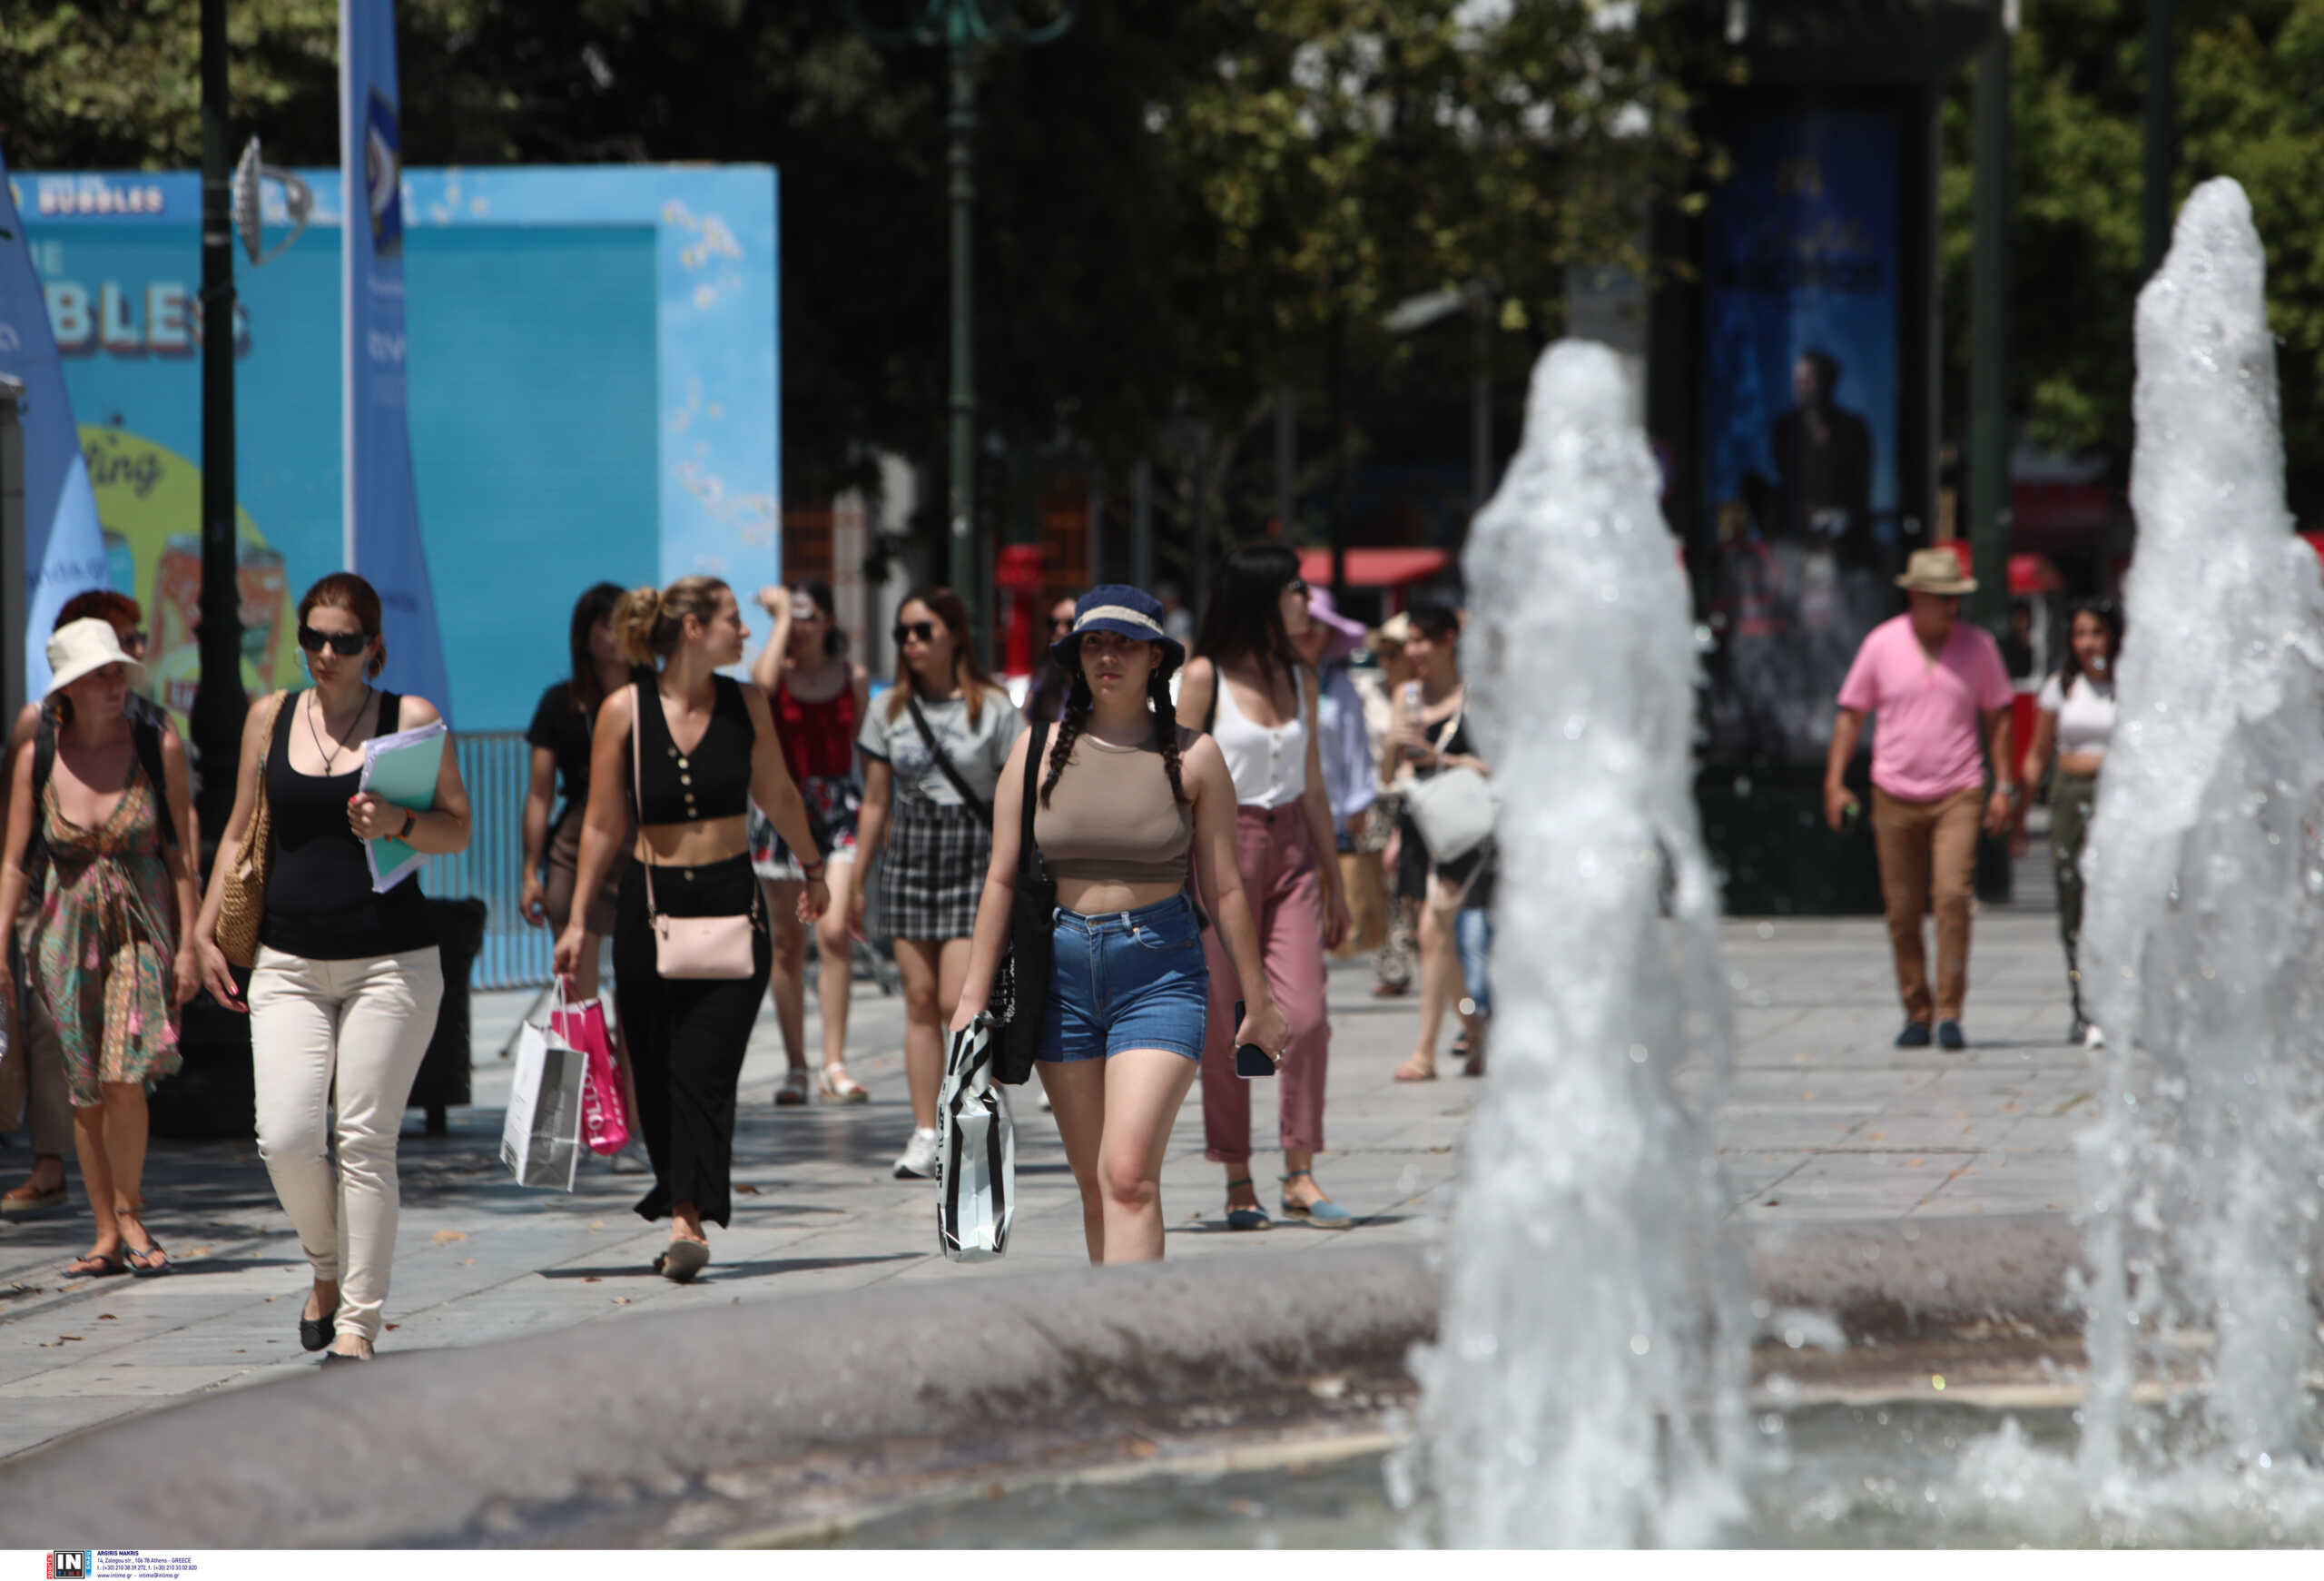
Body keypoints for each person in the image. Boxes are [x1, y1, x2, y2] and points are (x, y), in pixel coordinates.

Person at [950, 585, 1288, 1263]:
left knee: (1128, 1175)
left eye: (1126, 643)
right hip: (1062, 977)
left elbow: (1223, 890)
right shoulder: (1035, 750)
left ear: (1155, 659)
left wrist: (1259, 999)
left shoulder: (1196, 757)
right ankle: (1113, 1340)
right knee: (1096, 1184)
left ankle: (1141, 1351)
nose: (1109, 656)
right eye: (1094, 643)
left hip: (1159, 972)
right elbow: (1002, 878)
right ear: (1076, 658)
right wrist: (969, 1001)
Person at [191, 573, 473, 1360]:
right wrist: (205, 933)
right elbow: (241, 831)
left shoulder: (407, 719)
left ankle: (356, 1325)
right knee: (283, 1137)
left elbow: (457, 829)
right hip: (286, 958)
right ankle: (326, 1265)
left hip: (391, 960)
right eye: (312, 637)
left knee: (362, 1139)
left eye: (343, 641)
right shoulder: (269, 717)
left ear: (373, 647)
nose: (325, 652)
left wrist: (400, 820)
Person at [554, 578, 827, 1281]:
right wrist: (580, 918)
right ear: (694, 629)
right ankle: (685, 1200)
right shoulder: (624, 711)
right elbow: (603, 822)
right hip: (651, 908)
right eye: (735, 621)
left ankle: (686, 1213)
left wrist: (813, 865)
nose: (747, 633)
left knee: (702, 1067)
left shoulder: (748, 703)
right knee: (655, 1061)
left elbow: (778, 790)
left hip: (735, 904)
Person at [0, 619, 199, 1278]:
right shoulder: (40, 755)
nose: (118, 683)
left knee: (123, 1071)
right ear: (70, 689)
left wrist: (192, 943)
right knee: (83, 1085)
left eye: (120, 672)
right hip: (64, 934)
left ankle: (132, 1206)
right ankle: (106, 1230)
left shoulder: (154, 743)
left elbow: (178, 854)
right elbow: (15, 864)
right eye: (102, 675)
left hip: (139, 927)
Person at [1177, 545, 1353, 1230]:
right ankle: (1238, 1175)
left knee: (1306, 1016)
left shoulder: (1297, 675)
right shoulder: (1203, 677)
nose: (1306, 602)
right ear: (1260, 596)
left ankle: (1300, 1170)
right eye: (1295, 590)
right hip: (1222, 853)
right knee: (1229, 1023)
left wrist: (1335, 879)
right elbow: (1177, 781)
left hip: (1292, 854)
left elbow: (1312, 783)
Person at [849, 587, 1023, 1179]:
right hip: (911, 853)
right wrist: (855, 879)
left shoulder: (994, 708)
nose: (911, 643)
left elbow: (1015, 796)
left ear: (953, 633)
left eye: (922, 630)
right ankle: (926, 1131)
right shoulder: (887, 709)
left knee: (960, 1000)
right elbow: (875, 802)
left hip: (975, 854)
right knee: (920, 1001)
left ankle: (971, 1118)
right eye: (903, 633)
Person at [1823, 548, 2016, 1051]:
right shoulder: (1881, 644)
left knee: (1952, 895)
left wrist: (2005, 785)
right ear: (1915, 596)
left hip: (1959, 790)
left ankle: (1950, 1010)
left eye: (1956, 600)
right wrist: (1835, 781)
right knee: (1901, 907)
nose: (1951, 609)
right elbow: (1851, 713)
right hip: (1893, 791)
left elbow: (1999, 716)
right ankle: (1917, 1010)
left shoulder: (1979, 648)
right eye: (1941, 599)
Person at [519, 582, 647, 1173]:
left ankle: (641, 1120)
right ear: (584, 635)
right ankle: (584, 1120)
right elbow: (540, 793)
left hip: (645, 842)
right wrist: (529, 870)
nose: (608, 635)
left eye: (616, 623)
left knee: (644, 995)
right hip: (577, 845)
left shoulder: (656, 693)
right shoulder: (560, 702)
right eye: (598, 624)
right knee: (580, 995)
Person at [747, 581, 871, 1107]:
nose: (801, 625)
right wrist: (777, 621)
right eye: (793, 616)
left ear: (828, 620)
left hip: (838, 804)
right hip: (783, 806)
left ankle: (834, 1061)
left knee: (836, 931)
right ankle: (796, 1064)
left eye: (809, 615)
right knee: (786, 943)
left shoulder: (853, 677)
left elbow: (863, 749)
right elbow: (762, 682)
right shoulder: (779, 674)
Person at [1386, 603, 1493, 1082]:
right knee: (1434, 944)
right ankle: (1477, 1030)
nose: (1413, 651)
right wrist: (1394, 743)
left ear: (1449, 639)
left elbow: (1496, 769)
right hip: (1418, 825)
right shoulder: (1406, 696)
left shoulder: (1478, 697)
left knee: (1434, 933)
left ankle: (1425, 1052)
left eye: (1422, 640)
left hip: (1463, 828)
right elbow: (1388, 775)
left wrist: (1444, 760)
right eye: (1409, 641)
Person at [2018, 598, 2121, 1049]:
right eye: (2080, 634)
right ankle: (2082, 1004)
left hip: (2117, 797)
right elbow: (2038, 753)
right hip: (2069, 794)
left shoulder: (2131, 684)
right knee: (2072, 900)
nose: (2087, 643)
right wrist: (2019, 811)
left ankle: (2118, 1003)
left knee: (2115, 899)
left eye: (2096, 633)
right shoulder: (2060, 687)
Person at [1295, 588, 1379, 952]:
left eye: (1321, 625)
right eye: (1306, 623)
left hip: (1329, 812)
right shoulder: (1273, 681)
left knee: (1322, 915)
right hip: (1278, 810)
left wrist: (1360, 802)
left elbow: (1355, 745)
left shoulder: (1340, 685)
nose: (1312, 632)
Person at [1356, 613, 1419, 999]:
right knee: (1383, 883)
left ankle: (1421, 952)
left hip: (1415, 794)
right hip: (1380, 795)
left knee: (1414, 885)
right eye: (1384, 653)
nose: (1387, 661)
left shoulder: (1421, 694)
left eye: (1395, 653)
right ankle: (1393, 966)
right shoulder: (1368, 691)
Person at [1770, 347, 1875, 566]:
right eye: (1797, 381)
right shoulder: (1785, 428)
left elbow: (1861, 486)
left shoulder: (1852, 428)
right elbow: (1784, 475)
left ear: (1826, 383)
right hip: (1797, 532)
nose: (1800, 388)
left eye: (1808, 380)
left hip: (1844, 532)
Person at [1022, 594, 1081, 728]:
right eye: (1053, 624)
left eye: (1070, 624)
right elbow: (1024, 718)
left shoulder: (1095, 674)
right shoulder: (1044, 671)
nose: (1060, 630)